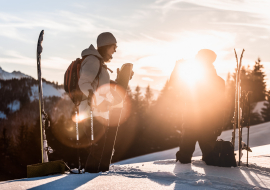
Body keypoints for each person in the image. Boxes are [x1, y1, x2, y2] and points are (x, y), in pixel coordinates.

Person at [78, 32, 133, 173]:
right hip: (90, 111)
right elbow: (84, 82)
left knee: (101, 145)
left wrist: (122, 79)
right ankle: (90, 176)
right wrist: (94, 99)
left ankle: (95, 175)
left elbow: (104, 86)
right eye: (113, 47)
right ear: (106, 46)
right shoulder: (92, 60)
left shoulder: (99, 64)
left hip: (97, 111)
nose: (115, 50)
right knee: (99, 145)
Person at [174, 49, 225, 164]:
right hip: (206, 124)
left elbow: (176, 90)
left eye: (198, 56)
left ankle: (185, 179)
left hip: (197, 123)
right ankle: (215, 180)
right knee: (210, 160)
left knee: (184, 159)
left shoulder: (192, 78)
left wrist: (177, 70)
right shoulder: (218, 81)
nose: (195, 58)